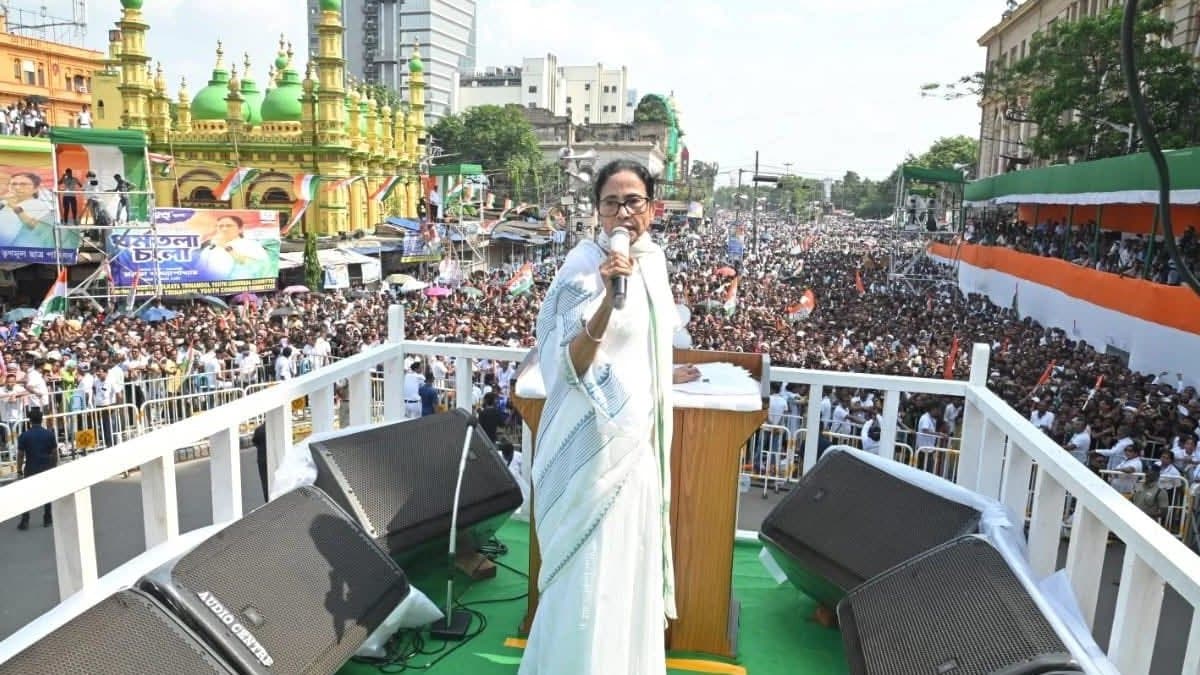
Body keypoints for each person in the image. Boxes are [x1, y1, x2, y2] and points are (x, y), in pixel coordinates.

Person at [519, 160, 700, 674]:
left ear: (652, 208)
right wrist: (602, 299)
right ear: (596, 210)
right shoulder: (581, 268)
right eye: (611, 203)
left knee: (626, 568)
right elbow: (566, 363)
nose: (623, 213)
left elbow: (646, 342)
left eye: (633, 202)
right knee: (588, 575)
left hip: (635, 448)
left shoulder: (654, 262)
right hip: (590, 456)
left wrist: (663, 373)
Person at [16, 408, 58, 530]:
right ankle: (47, 518)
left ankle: (25, 520)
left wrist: (19, 469)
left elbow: (20, 455)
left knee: (27, 494)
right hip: (46, 466)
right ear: (41, 420)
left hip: (31, 467)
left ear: (30, 421)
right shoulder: (49, 434)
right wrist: (53, 465)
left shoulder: (24, 436)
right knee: (47, 493)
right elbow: (54, 453)